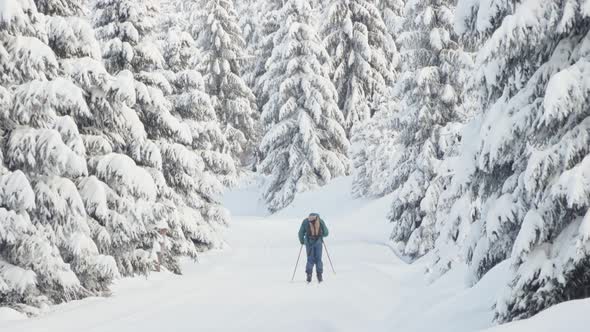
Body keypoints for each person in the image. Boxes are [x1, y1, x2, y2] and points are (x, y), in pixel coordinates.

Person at [298, 212, 329, 283]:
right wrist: (321, 235)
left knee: (310, 259)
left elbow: (300, 233)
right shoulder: (320, 221)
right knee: (318, 259)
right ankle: (319, 275)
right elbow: (326, 233)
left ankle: (309, 275)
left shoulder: (305, 221)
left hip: (309, 243)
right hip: (318, 242)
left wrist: (302, 241)